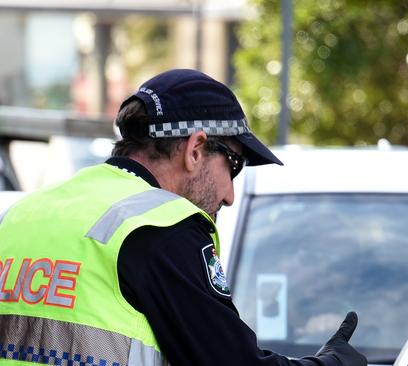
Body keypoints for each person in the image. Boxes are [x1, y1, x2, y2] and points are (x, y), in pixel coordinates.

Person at [0, 69, 367, 366]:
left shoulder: (23, 214)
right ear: (195, 149)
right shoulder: (159, 227)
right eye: (233, 165)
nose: (229, 194)